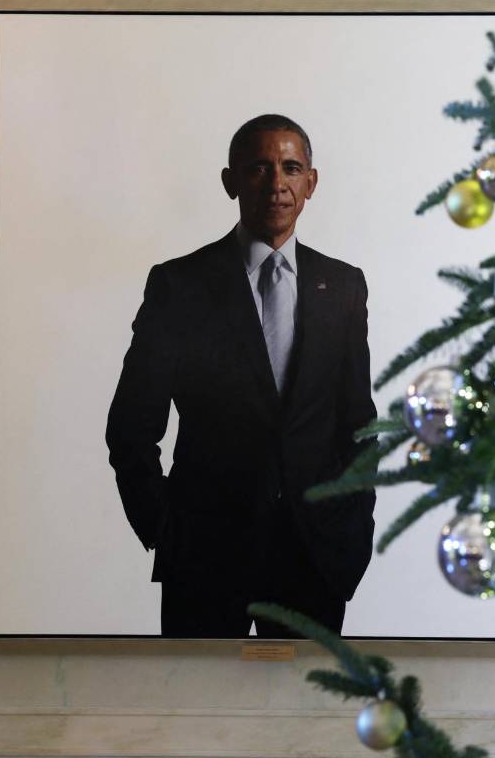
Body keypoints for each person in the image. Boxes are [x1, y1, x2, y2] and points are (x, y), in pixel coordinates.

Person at [106, 114, 376, 638]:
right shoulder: (179, 286)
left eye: (291, 168)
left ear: (310, 183)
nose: (277, 183)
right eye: (259, 168)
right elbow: (131, 426)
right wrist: (165, 528)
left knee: (302, 718)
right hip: (204, 559)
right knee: (198, 715)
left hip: (314, 558)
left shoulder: (343, 287)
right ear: (231, 181)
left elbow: (358, 426)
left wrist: (351, 533)